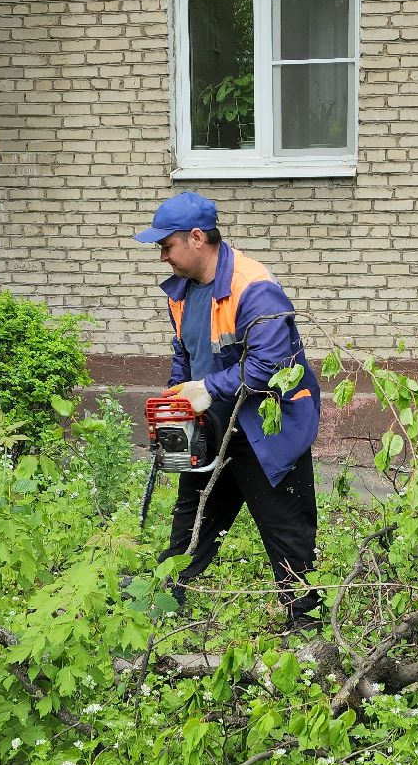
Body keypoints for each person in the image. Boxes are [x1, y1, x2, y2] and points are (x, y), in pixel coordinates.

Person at [134, 191, 323, 628]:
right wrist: (175, 398)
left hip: (268, 429)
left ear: (196, 238)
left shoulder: (254, 288)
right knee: (191, 518)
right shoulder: (180, 291)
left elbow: (269, 367)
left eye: (167, 246)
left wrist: (205, 387)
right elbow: (185, 352)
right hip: (213, 423)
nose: (162, 257)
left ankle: (308, 624)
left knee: (286, 530)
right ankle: (162, 606)